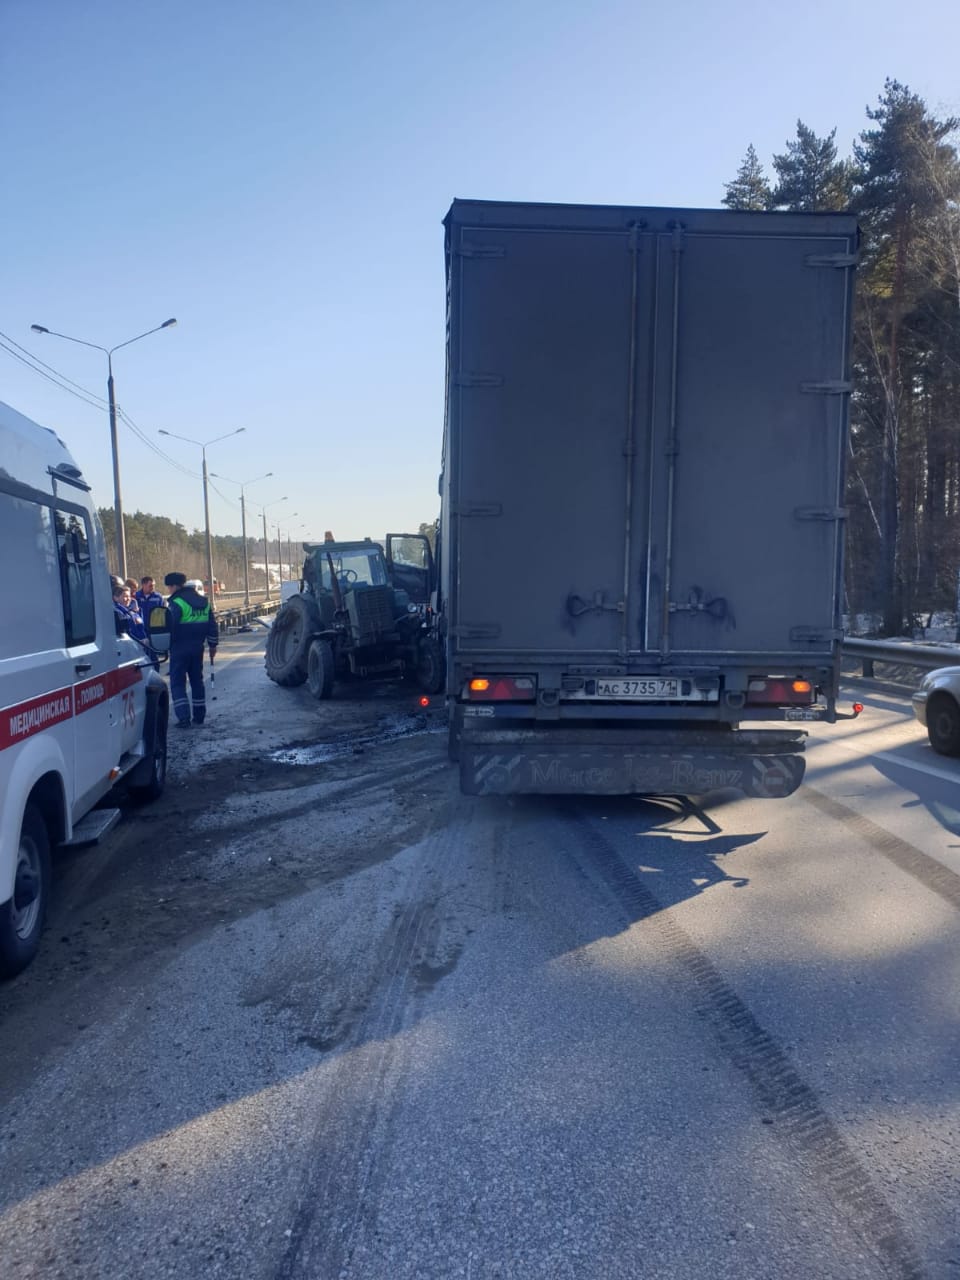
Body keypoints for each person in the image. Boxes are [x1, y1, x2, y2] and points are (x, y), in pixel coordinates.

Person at [163, 571, 219, 728]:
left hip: (179, 647)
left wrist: (165, 646)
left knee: (177, 683)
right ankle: (199, 715)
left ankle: (184, 718)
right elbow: (212, 625)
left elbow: (171, 626)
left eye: (169, 587)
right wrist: (213, 645)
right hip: (197, 647)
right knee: (197, 681)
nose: (169, 590)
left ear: (174, 586)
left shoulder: (177, 602)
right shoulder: (203, 601)